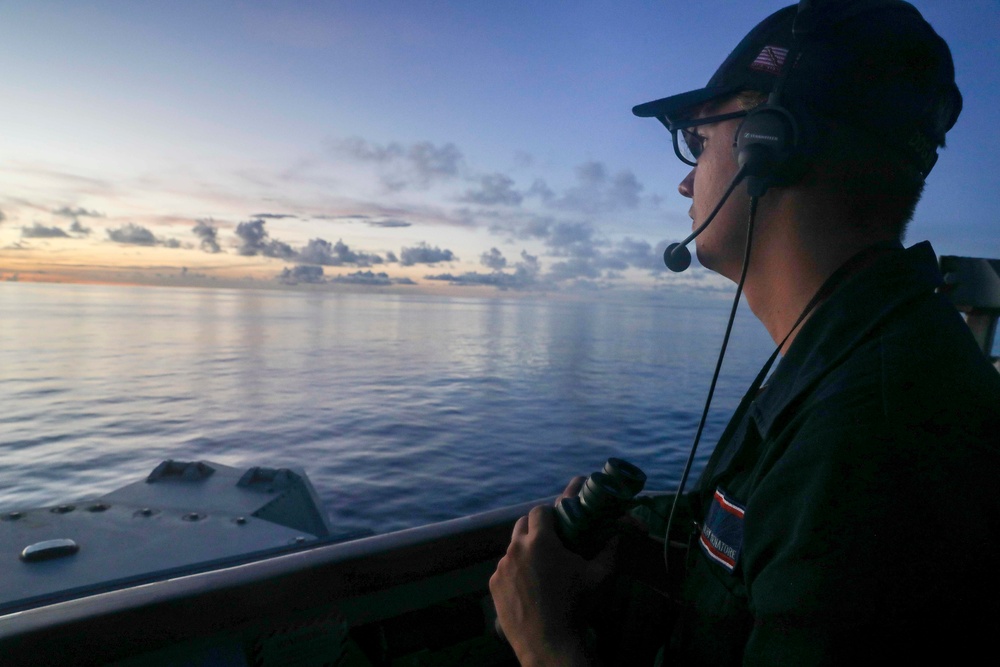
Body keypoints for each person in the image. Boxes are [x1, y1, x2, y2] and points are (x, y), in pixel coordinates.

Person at [489, 1, 1000, 664]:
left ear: (771, 142)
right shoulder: (848, 360)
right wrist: (639, 552)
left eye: (698, 143)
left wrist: (545, 643)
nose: (682, 181)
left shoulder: (872, 444)